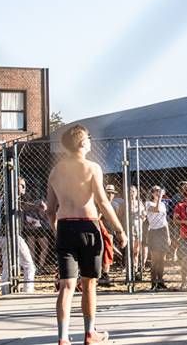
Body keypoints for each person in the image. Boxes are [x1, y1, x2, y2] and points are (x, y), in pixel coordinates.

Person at [45, 124, 128, 345]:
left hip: (65, 227)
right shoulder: (92, 168)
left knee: (66, 285)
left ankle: (63, 338)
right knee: (89, 282)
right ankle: (90, 333)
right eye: (88, 138)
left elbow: (50, 210)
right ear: (82, 143)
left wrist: (57, 231)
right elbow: (102, 202)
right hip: (88, 227)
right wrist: (119, 229)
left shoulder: (55, 171)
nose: (91, 141)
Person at [0, 178, 36, 294]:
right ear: (14, 186)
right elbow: (9, 217)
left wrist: (29, 219)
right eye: (21, 186)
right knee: (29, 266)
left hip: (6, 236)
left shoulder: (12, 200)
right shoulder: (10, 200)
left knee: (7, 266)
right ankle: (28, 291)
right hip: (12, 236)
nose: (24, 188)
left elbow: (19, 214)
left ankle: (6, 292)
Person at [145, 186, 170, 290]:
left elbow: (165, 221)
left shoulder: (163, 204)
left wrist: (168, 236)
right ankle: (153, 282)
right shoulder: (148, 203)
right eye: (155, 191)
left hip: (163, 231)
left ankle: (160, 281)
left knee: (162, 259)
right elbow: (156, 210)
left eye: (159, 191)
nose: (158, 192)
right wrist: (160, 197)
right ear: (152, 193)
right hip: (154, 231)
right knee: (155, 259)